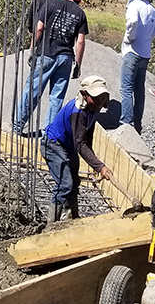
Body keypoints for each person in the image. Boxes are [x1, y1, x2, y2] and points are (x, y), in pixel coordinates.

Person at [12, 0, 89, 136]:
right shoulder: (80, 13)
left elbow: (39, 28)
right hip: (66, 58)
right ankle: (48, 134)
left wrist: (32, 49)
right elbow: (80, 41)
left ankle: (16, 127)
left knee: (32, 91)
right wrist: (78, 64)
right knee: (57, 97)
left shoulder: (50, 4)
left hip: (45, 54)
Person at [42, 75, 113, 224]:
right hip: (53, 145)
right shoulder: (78, 112)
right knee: (64, 184)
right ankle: (50, 224)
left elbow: (88, 134)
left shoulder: (93, 108)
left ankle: (71, 218)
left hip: (68, 146)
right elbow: (80, 144)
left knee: (74, 182)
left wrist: (94, 160)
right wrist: (100, 166)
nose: (100, 101)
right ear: (85, 95)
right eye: (96, 97)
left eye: (102, 97)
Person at [119, 0, 155, 131]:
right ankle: (138, 124)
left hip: (132, 51)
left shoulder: (134, 5)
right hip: (145, 53)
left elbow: (132, 22)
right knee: (139, 89)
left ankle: (126, 122)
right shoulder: (151, 8)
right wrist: (148, 36)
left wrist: (130, 37)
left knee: (126, 88)